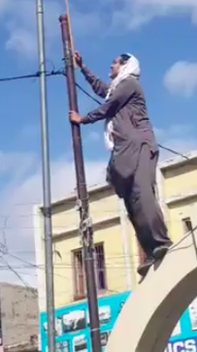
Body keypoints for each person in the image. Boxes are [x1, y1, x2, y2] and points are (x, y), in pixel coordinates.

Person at [69, 51, 172, 276]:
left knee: (143, 193)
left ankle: (161, 242)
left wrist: (83, 119)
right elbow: (103, 90)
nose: (111, 65)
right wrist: (83, 67)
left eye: (115, 62)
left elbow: (110, 104)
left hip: (140, 145)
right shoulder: (118, 86)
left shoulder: (130, 84)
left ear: (125, 65)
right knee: (132, 203)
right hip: (124, 150)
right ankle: (151, 250)